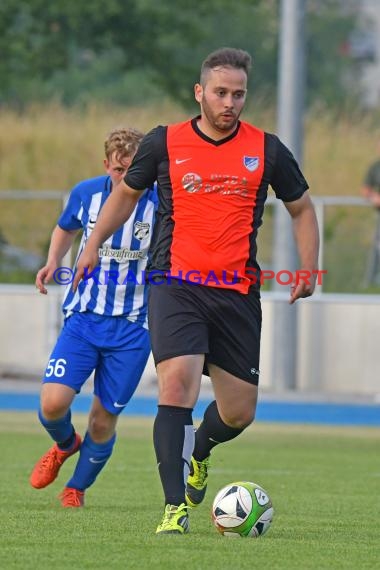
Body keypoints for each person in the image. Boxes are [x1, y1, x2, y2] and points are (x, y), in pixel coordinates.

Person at [73, 47, 320, 533]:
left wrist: (310, 266)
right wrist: (92, 245)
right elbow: (125, 194)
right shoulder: (165, 142)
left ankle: (200, 451)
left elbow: (302, 208)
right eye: (221, 92)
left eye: (238, 94)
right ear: (199, 92)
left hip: (236, 292)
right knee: (177, 386)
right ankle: (174, 509)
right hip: (175, 284)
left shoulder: (266, 148)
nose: (230, 103)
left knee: (239, 411)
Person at [30, 127, 157, 507]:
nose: (126, 178)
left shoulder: (162, 202)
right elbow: (65, 226)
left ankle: (76, 488)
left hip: (133, 328)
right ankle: (66, 444)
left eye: (134, 171)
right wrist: (54, 260)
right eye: (119, 170)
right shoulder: (86, 193)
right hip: (84, 318)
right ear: (107, 166)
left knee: (103, 421)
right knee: (52, 404)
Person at [361, 145, 380, 285]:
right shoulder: (375, 168)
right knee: (377, 246)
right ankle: (371, 280)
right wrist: (374, 197)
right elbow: (365, 189)